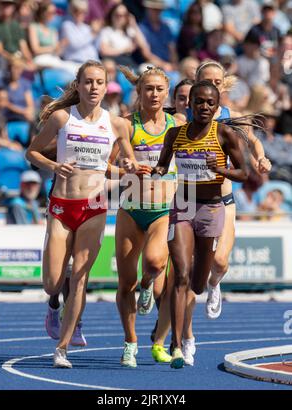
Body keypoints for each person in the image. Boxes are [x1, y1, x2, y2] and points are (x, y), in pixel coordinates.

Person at [26, 60, 139, 369]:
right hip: (62, 206)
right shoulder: (62, 118)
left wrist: (129, 167)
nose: (93, 87)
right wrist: (53, 166)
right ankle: (53, 303)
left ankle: (62, 348)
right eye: (88, 81)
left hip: (94, 207)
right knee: (52, 281)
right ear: (78, 85)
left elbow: (127, 163)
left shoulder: (117, 124)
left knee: (80, 279)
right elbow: (32, 152)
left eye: (99, 82)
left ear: (105, 87)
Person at [152, 80, 249, 368]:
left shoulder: (225, 134)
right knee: (180, 274)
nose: (204, 107)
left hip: (211, 209)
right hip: (182, 206)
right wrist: (156, 170)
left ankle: (206, 288)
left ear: (217, 107)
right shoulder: (175, 134)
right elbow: (163, 163)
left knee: (196, 283)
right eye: (199, 102)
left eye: (210, 103)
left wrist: (220, 168)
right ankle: (177, 345)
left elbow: (246, 172)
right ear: (189, 103)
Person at [183, 60, 271, 321]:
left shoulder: (230, 118)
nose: (211, 86)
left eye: (217, 83)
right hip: (190, 199)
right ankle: (180, 327)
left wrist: (260, 160)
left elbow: (253, 141)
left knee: (219, 262)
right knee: (187, 266)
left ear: (223, 86)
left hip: (223, 198)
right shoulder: (184, 116)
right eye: (206, 81)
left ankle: (214, 284)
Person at [113, 65, 183, 368]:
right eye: (147, 89)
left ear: (166, 93)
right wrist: (125, 166)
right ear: (139, 92)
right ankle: (131, 342)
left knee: (155, 263)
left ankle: (147, 285)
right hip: (130, 209)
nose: (153, 94)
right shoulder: (127, 125)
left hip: (163, 209)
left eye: (158, 89)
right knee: (124, 283)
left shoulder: (177, 123)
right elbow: (110, 164)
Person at [151, 78, 197, 366]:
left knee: (182, 279)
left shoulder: (205, 128)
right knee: (159, 284)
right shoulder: (168, 125)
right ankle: (168, 330)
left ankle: (181, 338)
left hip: (189, 205)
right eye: (181, 98)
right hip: (156, 207)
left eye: (189, 99)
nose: (186, 104)